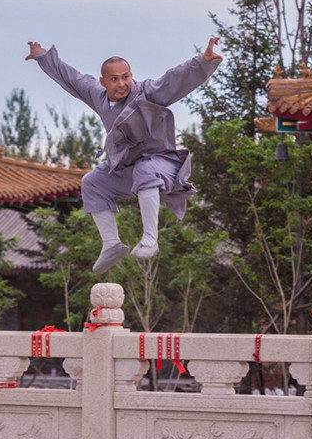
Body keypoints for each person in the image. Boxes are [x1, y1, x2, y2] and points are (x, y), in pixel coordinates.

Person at [25, 37, 222, 273]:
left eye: (126, 77)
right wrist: (42, 56)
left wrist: (201, 61)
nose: (122, 84)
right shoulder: (96, 94)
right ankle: (111, 244)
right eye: (115, 79)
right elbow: (71, 78)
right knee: (92, 182)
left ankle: (150, 239)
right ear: (103, 81)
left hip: (164, 163)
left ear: (131, 75)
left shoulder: (146, 93)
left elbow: (173, 79)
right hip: (126, 167)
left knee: (145, 169)